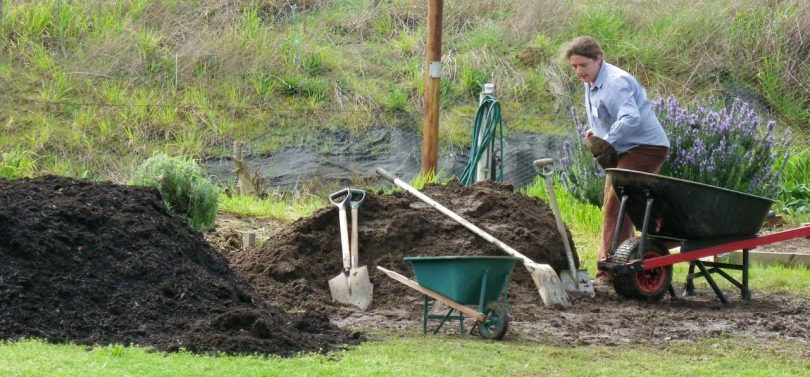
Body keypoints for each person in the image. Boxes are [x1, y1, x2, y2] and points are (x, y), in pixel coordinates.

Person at [562, 36, 670, 282]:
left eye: (583, 65)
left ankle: (608, 270)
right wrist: (596, 133)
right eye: (574, 66)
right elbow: (606, 116)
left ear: (599, 58)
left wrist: (607, 139)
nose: (579, 71)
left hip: (647, 147)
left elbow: (631, 118)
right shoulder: (591, 81)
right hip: (626, 147)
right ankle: (623, 263)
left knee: (616, 201)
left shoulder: (615, 82)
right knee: (618, 203)